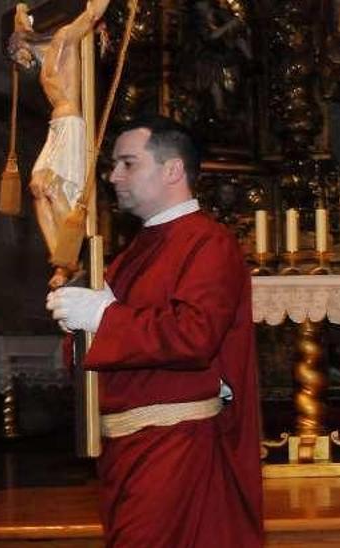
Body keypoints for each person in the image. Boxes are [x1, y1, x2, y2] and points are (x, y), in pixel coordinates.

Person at [45, 117, 263, 546]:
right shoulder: (135, 250)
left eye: (128, 163)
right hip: (128, 447)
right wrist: (77, 322)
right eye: (113, 165)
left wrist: (104, 317)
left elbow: (194, 335)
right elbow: (107, 335)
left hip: (174, 445)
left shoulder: (208, 242)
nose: (113, 176)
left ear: (172, 170)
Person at [8, 0, 109, 289]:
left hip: (70, 126)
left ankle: (70, 258)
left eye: (18, 51)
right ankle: (63, 261)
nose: (19, 58)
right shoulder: (42, 60)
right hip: (56, 127)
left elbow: (91, 14)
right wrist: (20, 21)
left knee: (52, 187)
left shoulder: (64, 40)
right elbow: (21, 27)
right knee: (38, 188)